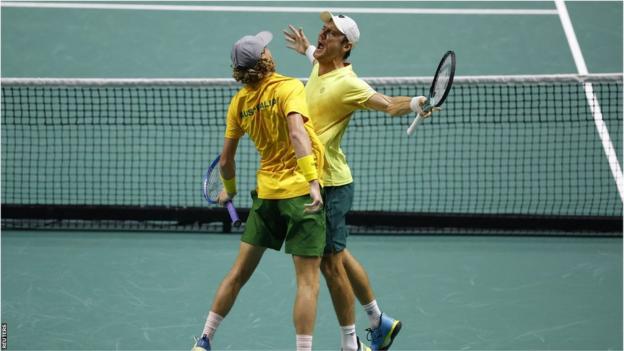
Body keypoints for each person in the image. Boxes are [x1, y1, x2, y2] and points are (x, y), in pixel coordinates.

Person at [284, 12, 436, 351]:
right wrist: (307, 47)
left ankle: (351, 345)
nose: (322, 36)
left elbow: (385, 104)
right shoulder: (319, 63)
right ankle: (377, 320)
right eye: (322, 30)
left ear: (346, 45)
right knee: (337, 253)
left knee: (329, 263)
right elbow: (315, 57)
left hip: (331, 185)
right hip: (313, 179)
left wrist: (412, 104)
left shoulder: (348, 84)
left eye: (331, 34)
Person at [192, 31, 326, 351]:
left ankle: (204, 340)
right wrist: (312, 180)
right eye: (265, 48)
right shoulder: (290, 87)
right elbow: (296, 132)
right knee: (307, 283)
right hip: (299, 196)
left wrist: (230, 191)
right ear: (264, 59)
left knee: (237, 273)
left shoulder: (238, 103)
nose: (269, 49)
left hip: (265, 198)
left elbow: (226, 160)